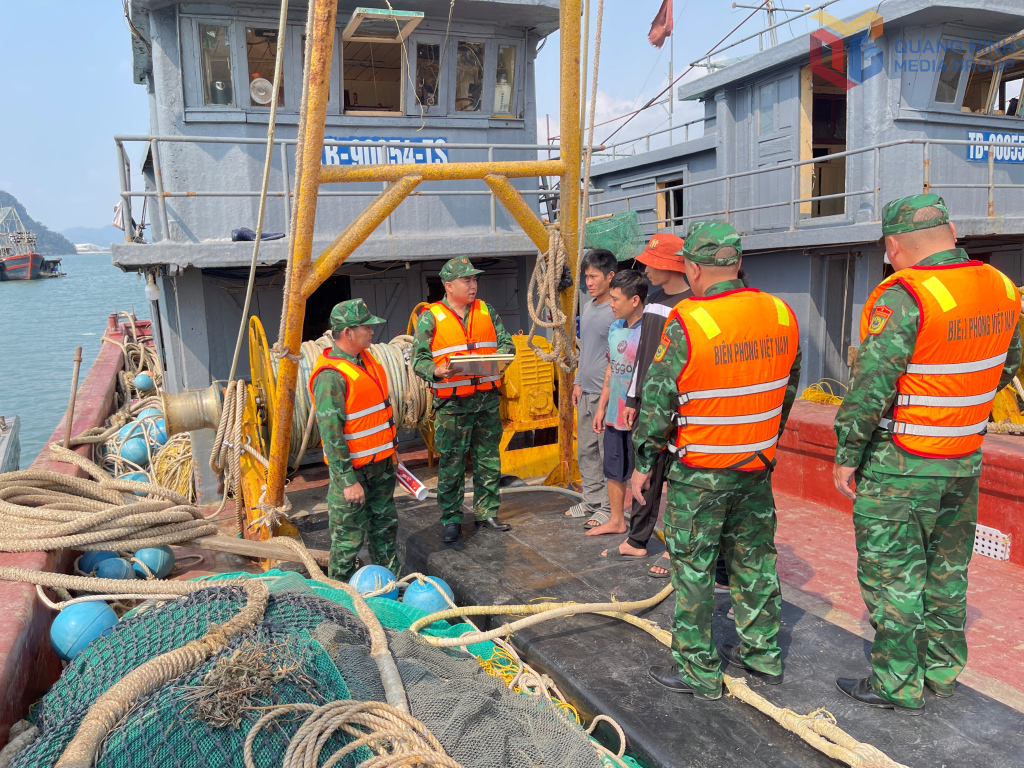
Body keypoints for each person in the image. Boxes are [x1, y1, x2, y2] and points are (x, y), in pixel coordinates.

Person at [832, 194, 1023, 714]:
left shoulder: (905, 295)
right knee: (946, 569)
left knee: (894, 572)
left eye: (887, 252)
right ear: (953, 230)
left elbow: (872, 385)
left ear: (894, 245)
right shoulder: (1001, 286)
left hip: (903, 459)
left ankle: (897, 683)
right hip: (964, 455)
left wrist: (848, 451)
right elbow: (1009, 363)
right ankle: (940, 672)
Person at [631, 221, 802, 700]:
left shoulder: (689, 321)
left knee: (695, 568)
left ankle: (698, 671)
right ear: (738, 264)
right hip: (754, 466)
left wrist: (645, 462)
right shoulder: (780, 313)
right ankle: (764, 656)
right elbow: (788, 386)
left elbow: (658, 400)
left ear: (695, 268)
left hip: (701, 473)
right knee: (754, 560)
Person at [413, 257, 517, 544]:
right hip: (453, 406)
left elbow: (506, 343)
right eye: (467, 280)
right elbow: (418, 359)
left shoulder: (487, 310)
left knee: (488, 460)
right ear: (449, 286)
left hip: (486, 401)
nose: (473, 285)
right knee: (452, 463)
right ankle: (451, 519)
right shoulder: (430, 317)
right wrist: (435, 370)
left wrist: (499, 360)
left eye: (475, 280)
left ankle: (486, 513)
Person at [310, 299, 399, 581]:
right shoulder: (330, 376)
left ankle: (390, 586)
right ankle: (340, 598)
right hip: (355, 473)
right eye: (367, 327)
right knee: (348, 540)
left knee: (384, 529)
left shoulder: (367, 360)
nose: (373, 332)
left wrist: (392, 456)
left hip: (382, 466)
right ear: (347, 332)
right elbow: (331, 434)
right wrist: (347, 480)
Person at [589, 269, 648, 537]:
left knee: (641, 475)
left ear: (634, 301)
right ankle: (616, 520)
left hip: (638, 417)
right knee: (614, 470)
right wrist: (602, 407)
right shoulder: (615, 327)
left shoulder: (650, 329)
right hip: (614, 413)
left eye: (615, 300)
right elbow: (611, 370)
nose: (610, 304)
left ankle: (639, 528)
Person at [566, 249, 618, 528]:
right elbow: (585, 349)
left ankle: (609, 508)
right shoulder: (587, 307)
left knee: (605, 452)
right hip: (586, 390)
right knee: (585, 450)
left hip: (606, 395)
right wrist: (576, 381)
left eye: (594, 276)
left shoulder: (616, 310)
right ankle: (592, 501)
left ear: (610, 276)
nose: (589, 282)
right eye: (586, 276)